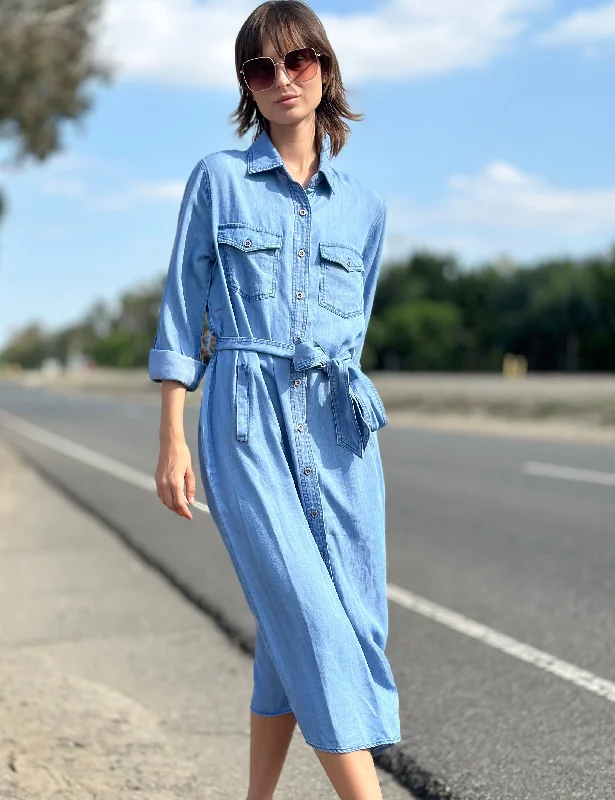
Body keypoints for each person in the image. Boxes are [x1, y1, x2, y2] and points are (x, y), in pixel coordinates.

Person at [149, 1, 401, 798]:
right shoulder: (217, 180)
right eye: (261, 69)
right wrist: (173, 437)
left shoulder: (364, 208)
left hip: (337, 427)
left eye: (297, 62)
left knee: (337, 622)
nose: (281, 79)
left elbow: (353, 326)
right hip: (245, 414)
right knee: (310, 618)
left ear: (324, 70)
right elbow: (181, 310)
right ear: (246, 87)